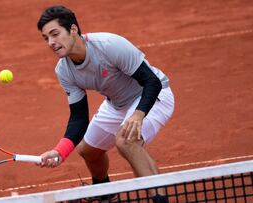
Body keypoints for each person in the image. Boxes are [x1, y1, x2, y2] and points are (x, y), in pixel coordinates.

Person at [36, 5, 174, 203]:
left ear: (73, 29)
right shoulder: (64, 70)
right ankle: (106, 196)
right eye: (46, 38)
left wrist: (138, 114)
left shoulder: (109, 45)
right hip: (116, 103)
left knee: (126, 141)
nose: (51, 42)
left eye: (55, 34)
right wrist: (60, 151)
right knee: (88, 151)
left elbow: (151, 81)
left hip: (153, 94)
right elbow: (79, 118)